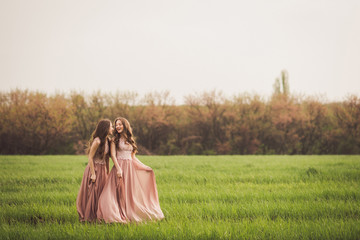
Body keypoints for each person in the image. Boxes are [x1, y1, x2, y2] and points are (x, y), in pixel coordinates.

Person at [97, 117, 164, 223]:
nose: (118, 126)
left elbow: (133, 157)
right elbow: (113, 155)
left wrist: (144, 166)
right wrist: (118, 169)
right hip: (120, 167)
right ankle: (113, 212)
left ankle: (128, 212)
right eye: (116, 125)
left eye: (120, 124)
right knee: (113, 193)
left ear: (125, 125)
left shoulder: (130, 139)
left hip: (130, 169)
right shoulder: (114, 140)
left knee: (129, 193)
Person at [76, 119, 113, 222]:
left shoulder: (107, 141)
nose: (112, 128)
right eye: (111, 126)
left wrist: (108, 171)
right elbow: (90, 158)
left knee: (101, 192)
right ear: (106, 128)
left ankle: (99, 215)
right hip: (94, 169)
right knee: (93, 192)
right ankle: (90, 217)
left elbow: (106, 158)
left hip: (102, 170)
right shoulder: (97, 141)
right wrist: (93, 174)